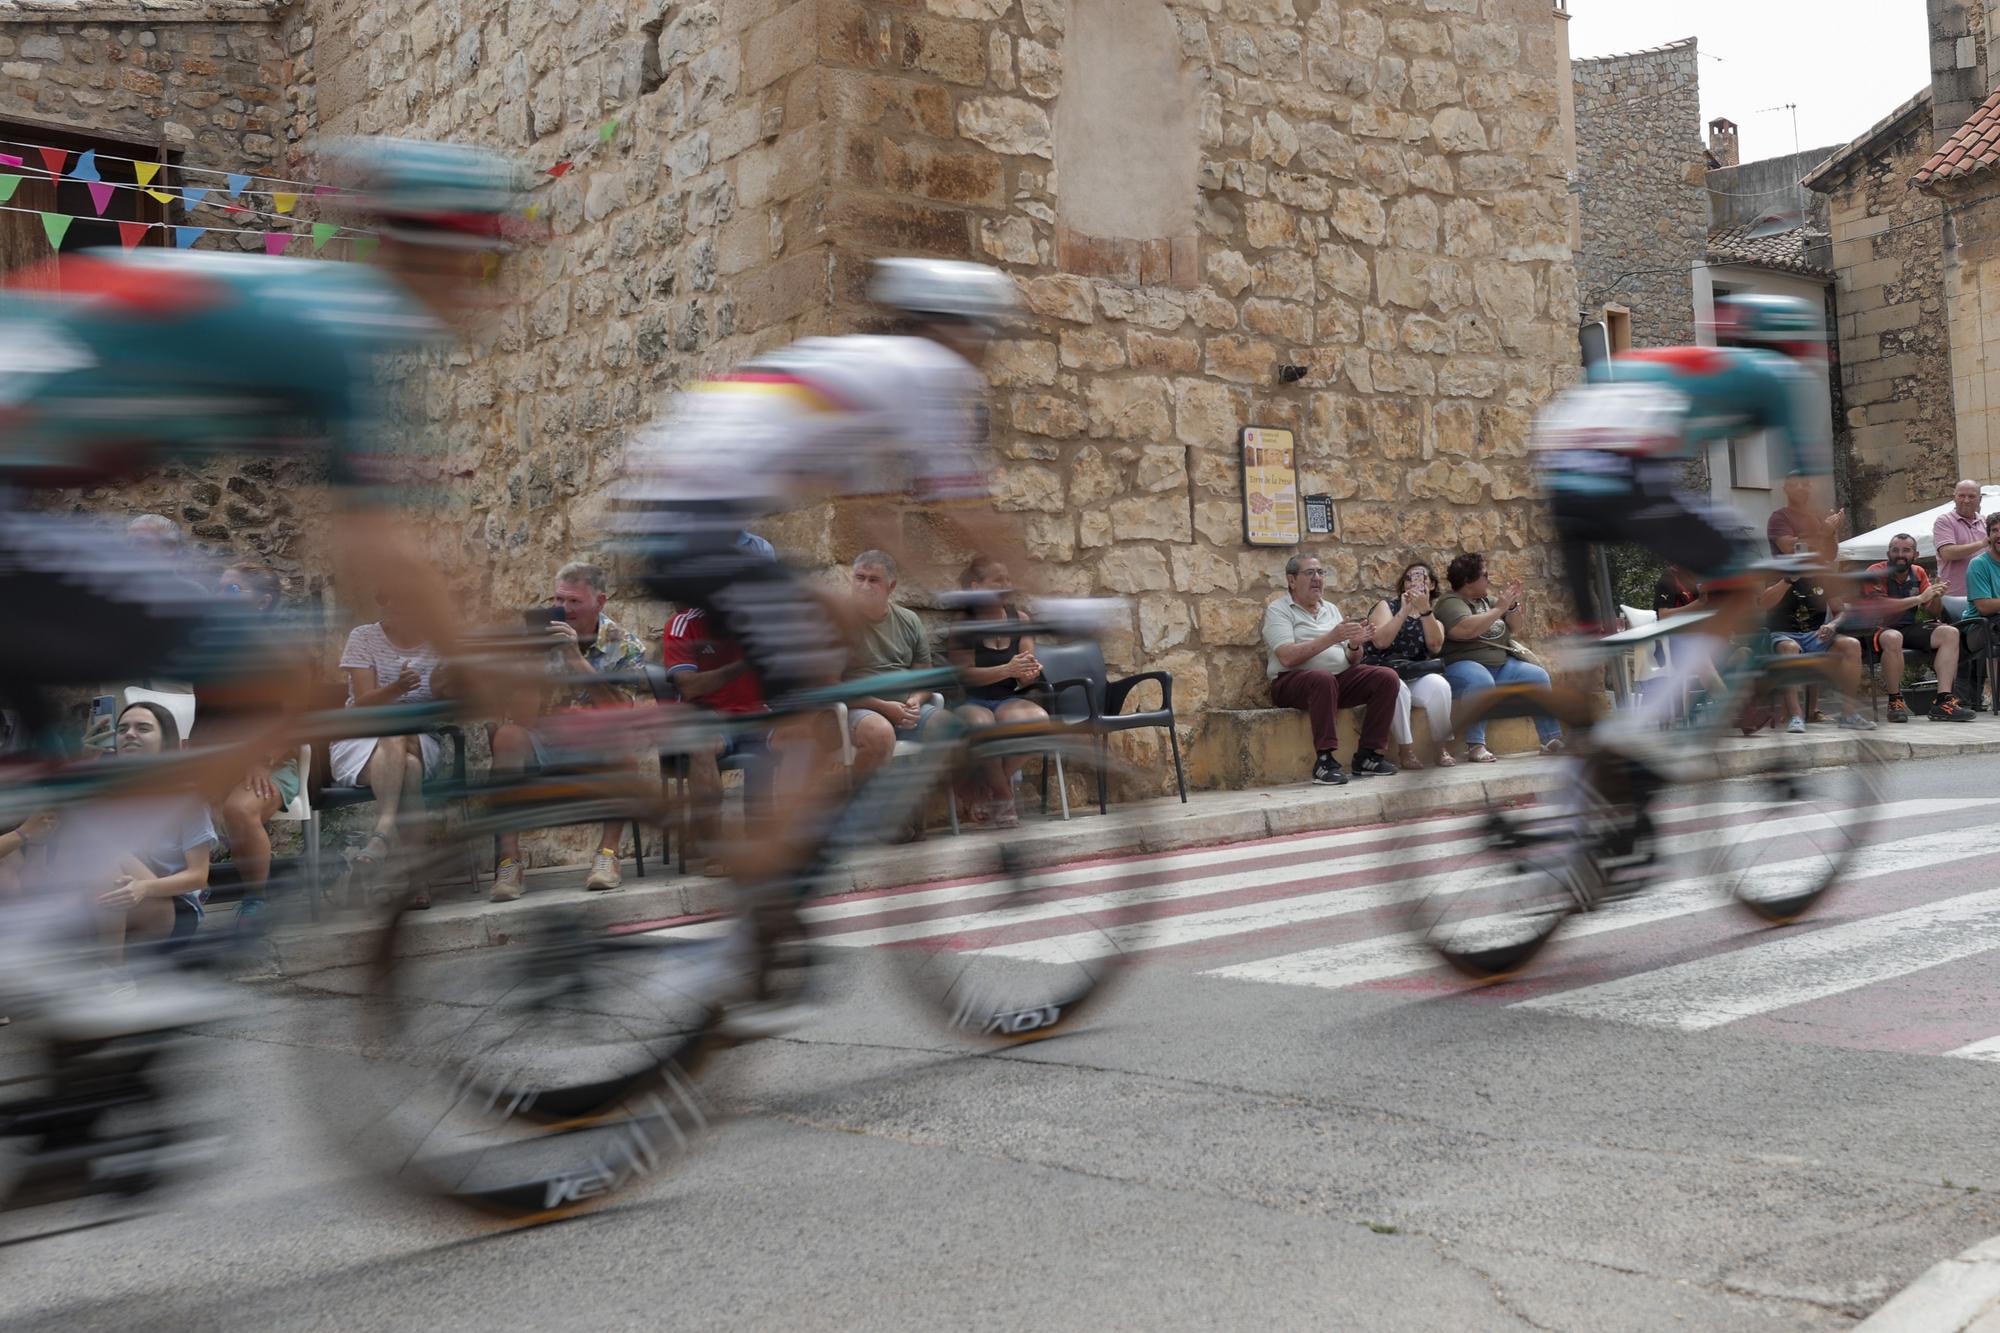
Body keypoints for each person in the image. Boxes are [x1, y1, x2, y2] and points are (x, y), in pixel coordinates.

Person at [614, 257, 1027, 888]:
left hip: (676, 514)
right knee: (816, 670)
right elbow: (969, 509)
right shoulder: (927, 372)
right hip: (696, 522)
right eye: (986, 333)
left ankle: (783, 854)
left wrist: (936, 586)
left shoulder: (870, 371)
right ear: (957, 327)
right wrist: (1049, 599)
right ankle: (770, 869)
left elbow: (879, 518)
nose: (987, 350)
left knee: (825, 641)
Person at [1534, 293, 1838, 749]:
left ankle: (1589, 660)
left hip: (1562, 483)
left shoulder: (1686, 363)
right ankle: (1646, 732)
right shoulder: (1775, 373)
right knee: (1736, 581)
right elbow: (1804, 470)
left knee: (1602, 626)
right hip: (1623, 475)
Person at [488, 562, 648, 903]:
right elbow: (521, 717)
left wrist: (575, 658)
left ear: (600, 601)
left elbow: (620, 714)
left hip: (597, 740)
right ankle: (509, 863)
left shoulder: (625, 644)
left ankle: (607, 857)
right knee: (507, 736)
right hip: (544, 737)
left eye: (575, 601)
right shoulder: (534, 639)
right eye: (559, 599)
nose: (564, 609)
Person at [326, 592, 445, 907]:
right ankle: (416, 879)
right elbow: (364, 705)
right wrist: (398, 689)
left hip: (422, 737)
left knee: (399, 732)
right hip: (361, 737)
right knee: (411, 768)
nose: (392, 606)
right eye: (386, 599)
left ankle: (383, 834)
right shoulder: (363, 637)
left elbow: (452, 698)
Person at [212, 565, 305, 929]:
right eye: (218, 590)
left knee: (239, 809)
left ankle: (255, 901)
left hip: (273, 761)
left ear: (263, 602)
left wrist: (263, 760)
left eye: (232, 590)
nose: (220, 598)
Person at [95, 702, 216, 968]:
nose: (129, 734)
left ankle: (113, 975)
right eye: (123, 728)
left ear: (166, 742)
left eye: (143, 728)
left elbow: (198, 876)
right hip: (115, 895)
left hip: (170, 907)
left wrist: (143, 887)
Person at [1262, 553, 1400, 785]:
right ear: (1292, 580)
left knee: (1386, 677)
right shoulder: (1279, 610)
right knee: (1322, 678)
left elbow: (1352, 659)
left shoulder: (1331, 609)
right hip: (1291, 683)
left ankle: (1368, 755)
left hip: (1335, 682)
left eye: (1320, 573)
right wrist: (1331, 637)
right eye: (1309, 573)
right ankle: (1324, 761)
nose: (1317, 578)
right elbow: (1286, 657)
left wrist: (1355, 644)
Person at [946, 555, 1050, 826]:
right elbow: (964, 674)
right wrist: (1007, 669)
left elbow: (1026, 674)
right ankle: (1004, 796)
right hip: (972, 700)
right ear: (976, 587)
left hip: (1007, 699)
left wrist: (1029, 673)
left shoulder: (1021, 619)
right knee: (982, 725)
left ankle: (987, 789)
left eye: (1008, 579)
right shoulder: (963, 623)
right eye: (997, 580)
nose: (1006, 585)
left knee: (1039, 723)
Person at [1434, 553, 1565, 763]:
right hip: (1461, 667)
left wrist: (1511, 606)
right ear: (1468, 581)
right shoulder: (1450, 602)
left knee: (1537, 676)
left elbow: (1515, 627)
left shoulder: (1488, 600)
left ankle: (1550, 740)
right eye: (1484, 575)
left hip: (1501, 666)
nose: (1489, 579)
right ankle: (1476, 745)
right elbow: (1464, 630)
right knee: (1481, 680)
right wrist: (1500, 608)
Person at [843, 550, 949, 781]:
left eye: (873, 580)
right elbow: (830, 685)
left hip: (905, 709)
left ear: (891, 586)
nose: (864, 586)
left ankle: (969, 804)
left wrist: (916, 700)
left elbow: (925, 677)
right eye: (859, 578)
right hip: (858, 708)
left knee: (950, 727)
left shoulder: (908, 620)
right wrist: (883, 706)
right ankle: (863, 811)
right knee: (880, 734)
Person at [1861, 534, 1973, 723]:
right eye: (1895, 550)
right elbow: (1880, 607)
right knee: (1893, 637)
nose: (1900, 554)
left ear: (1916, 554)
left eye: (1906, 550)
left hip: (1908, 627)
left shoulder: (1918, 572)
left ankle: (1943, 702)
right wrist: (1920, 599)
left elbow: (1933, 612)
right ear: (1888, 553)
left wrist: (1936, 595)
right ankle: (1895, 701)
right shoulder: (1875, 571)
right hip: (1877, 627)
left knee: (1950, 633)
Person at [1363, 562, 1454, 769]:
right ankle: (1406, 751)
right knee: (1397, 688)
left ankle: (1441, 748)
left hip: (1414, 673)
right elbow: (1381, 641)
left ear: (1431, 585)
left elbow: (1435, 646)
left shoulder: (1432, 617)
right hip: (1384, 672)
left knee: (1439, 685)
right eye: (1409, 578)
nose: (1414, 583)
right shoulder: (1386, 607)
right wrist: (1404, 611)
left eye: (1421, 578)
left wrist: (1424, 611)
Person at [1765, 569, 1873, 734]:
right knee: (1790, 648)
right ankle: (1796, 716)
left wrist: (1832, 625)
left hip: (1816, 635)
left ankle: (1849, 714)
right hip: (1784, 634)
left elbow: (1841, 611)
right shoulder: (1779, 573)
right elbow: (1764, 602)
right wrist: (1788, 580)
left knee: (1852, 644)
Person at [1767, 471, 1844, 559]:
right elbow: (1790, 550)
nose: (1800, 488)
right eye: (1794, 484)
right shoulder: (1779, 517)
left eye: (1805, 484)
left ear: (1810, 488)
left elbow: (1830, 556)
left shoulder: (1815, 517)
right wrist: (1823, 533)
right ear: (1785, 489)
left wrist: (1830, 533)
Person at [1934, 480, 1988, 597]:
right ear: (1954, 497)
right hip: (1955, 596)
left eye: (1972, 496)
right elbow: (1947, 553)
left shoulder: (1985, 521)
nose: (1966, 500)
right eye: (1961, 496)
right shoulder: (1944, 521)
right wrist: (1982, 543)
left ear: (1980, 499)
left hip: (1984, 594)